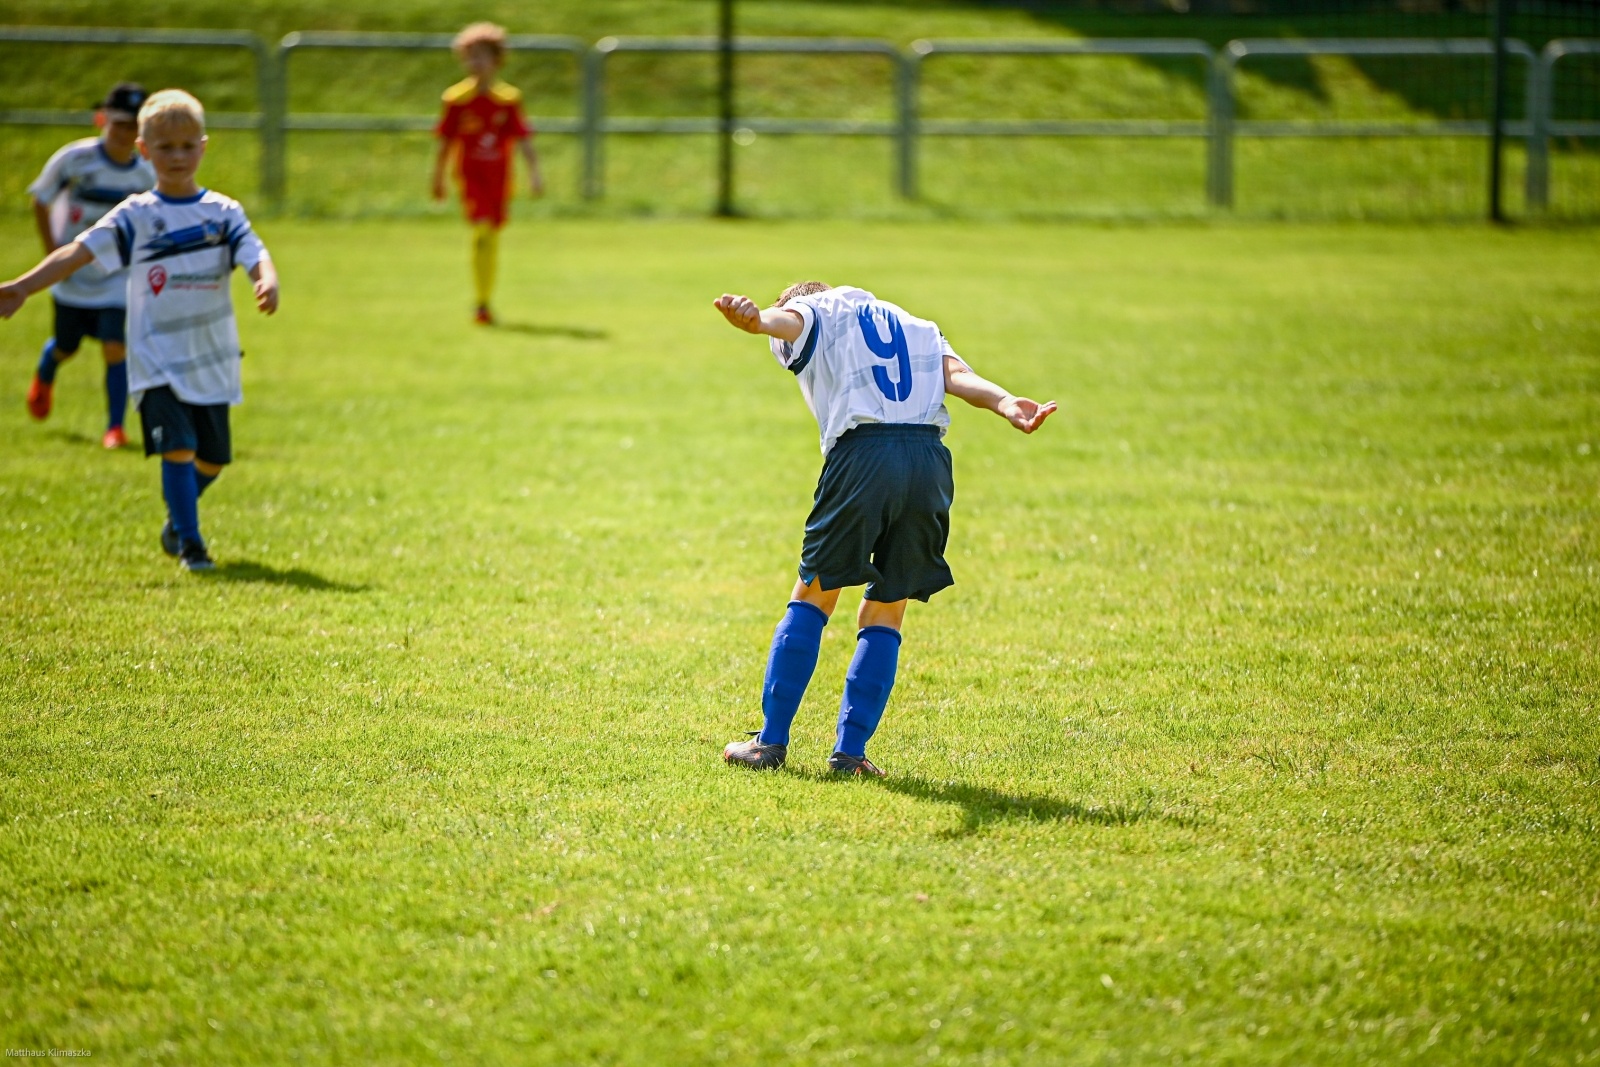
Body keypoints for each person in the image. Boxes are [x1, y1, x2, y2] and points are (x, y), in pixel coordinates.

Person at [713, 283, 1056, 777]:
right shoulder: (915, 322)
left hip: (865, 455)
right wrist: (1006, 404)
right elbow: (956, 376)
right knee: (889, 605)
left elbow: (794, 322)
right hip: (929, 462)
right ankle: (850, 755)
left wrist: (760, 320)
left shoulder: (819, 309)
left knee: (814, 594)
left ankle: (770, 744)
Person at [0, 89, 279, 573]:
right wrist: (24, 286)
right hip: (155, 356)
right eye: (165, 147)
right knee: (178, 447)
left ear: (203, 148)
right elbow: (77, 252)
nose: (177, 156)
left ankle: (178, 521)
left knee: (213, 459)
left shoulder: (222, 211)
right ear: (145, 151)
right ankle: (192, 546)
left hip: (211, 355)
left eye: (187, 146)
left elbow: (255, 252)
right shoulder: (137, 215)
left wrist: (265, 280)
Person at [25, 81, 157, 448]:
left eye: (134, 127)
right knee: (68, 346)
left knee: (115, 347)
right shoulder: (74, 159)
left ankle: (114, 427)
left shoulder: (147, 173)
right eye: (119, 124)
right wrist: (52, 252)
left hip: (116, 276)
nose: (125, 133)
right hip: (72, 273)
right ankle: (47, 369)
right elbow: (41, 200)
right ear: (102, 119)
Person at [431, 21, 543, 326]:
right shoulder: (455, 99)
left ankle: (484, 300)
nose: (475, 62)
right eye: (470, 56)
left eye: (481, 55)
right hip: (471, 177)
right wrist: (438, 178)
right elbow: (445, 142)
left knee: (491, 234)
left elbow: (523, 140)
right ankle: (481, 303)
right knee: (481, 230)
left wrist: (535, 173)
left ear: (496, 59)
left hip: (500, 179)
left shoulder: (508, 99)